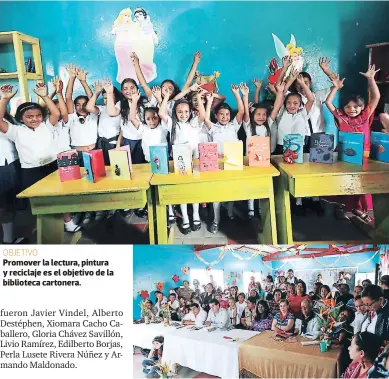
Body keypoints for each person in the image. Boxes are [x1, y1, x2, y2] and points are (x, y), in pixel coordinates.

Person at [325, 65, 380, 223]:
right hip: (345, 153)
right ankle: (344, 208)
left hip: (363, 155)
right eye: (348, 106)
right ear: (343, 108)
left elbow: (375, 97)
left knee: (362, 182)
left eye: (356, 106)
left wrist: (371, 79)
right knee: (345, 181)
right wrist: (335, 88)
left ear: (362, 107)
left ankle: (360, 209)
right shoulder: (342, 117)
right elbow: (328, 102)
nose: (352, 109)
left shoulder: (366, 115)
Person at [159, 85, 206, 234]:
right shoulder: (173, 124)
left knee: (195, 189)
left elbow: (203, 116)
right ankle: (185, 217)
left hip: (195, 160)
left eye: (186, 111)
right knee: (182, 190)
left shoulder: (193, 124)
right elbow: (161, 112)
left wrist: (198, 97)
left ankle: (196, 214)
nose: (183, 114)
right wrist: (166, 96)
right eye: (180, 112)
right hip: (180, 162)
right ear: (175, 113)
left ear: (191, 112)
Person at [204, 85, 245, 233]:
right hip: (216, 163)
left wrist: (236, 94)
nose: (225, 117)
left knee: (231, 191)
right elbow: (206, 117)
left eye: (227, 114)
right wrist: (209, 101)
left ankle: (229, 211)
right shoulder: (213, 128)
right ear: (216, 115)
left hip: (232, 162)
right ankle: (216, 220)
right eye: (221, 114)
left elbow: (241, 111)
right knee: (217, 193)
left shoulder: (234, 126)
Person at [242, 83, 282, 218]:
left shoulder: (268, 124)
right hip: (251, 161)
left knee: (263, 183)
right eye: (258, 114)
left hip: (265, 162)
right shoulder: (248, 126)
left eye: (263, 115)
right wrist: (245, 96)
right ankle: (250, 208)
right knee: (251, 183)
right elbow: (246, 113)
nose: (261, 117)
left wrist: (280, 92)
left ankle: (260, 207)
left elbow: (276, 108)